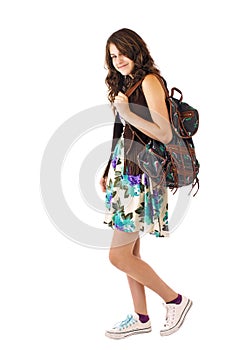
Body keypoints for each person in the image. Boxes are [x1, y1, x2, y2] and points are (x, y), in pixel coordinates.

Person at [99, 28, 192, 339]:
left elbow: (164, 133)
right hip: (125, 173)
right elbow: (127, 133)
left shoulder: (150, 80)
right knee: (131, 254)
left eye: (122, 52)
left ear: (135, 49)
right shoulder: (127, 83)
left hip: (140, 177)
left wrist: (126, 111)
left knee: (118, 256)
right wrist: (107, 167)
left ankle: (175, 300)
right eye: (112, 57)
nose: (118, 60)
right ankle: (141, 318)